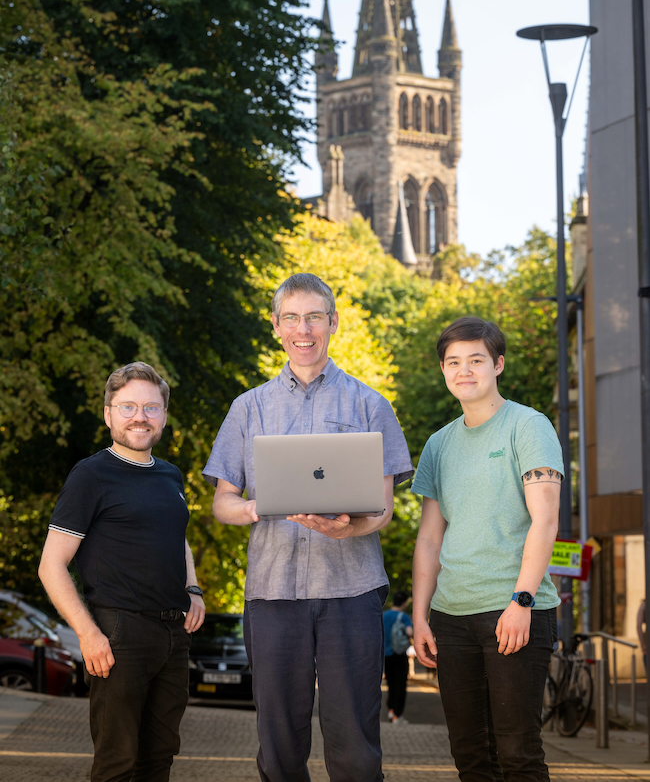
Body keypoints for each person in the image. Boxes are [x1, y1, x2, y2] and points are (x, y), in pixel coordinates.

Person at [203, 272, 414, 782]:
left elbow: (383, 508)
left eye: (314, 317)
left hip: (351, 590)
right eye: (292, 318)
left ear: (332, 323)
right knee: (278, 747)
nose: (304, 329)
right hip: (273, 594)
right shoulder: (247, 407)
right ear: (277, 326)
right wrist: (260, 507)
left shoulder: (370, 405)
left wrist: (349, 528)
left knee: (356, 750)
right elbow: (222, 503)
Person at [411, 316, 562, 782]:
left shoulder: (528, 426)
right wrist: (420, 616)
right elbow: (430, 538)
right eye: (453, 362)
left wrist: (522, 601)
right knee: (470, 755)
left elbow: (546, 519)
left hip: (513, 610)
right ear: (443, 370)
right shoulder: (438, 444)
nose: (465, 371)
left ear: (497, 364)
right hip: (451, 619)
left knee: (518, 753)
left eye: (476, 360)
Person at [39, 362, 205, 782]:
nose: (140, 417)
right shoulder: (91, 475)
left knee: (160, 758)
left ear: (163, 416)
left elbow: (177, 537)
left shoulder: (170, 476)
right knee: (117, 762)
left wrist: (194, 588)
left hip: (173, 634)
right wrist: (88, 633)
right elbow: (51, 565)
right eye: (128, 406)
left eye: (151, 407)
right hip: (119, 633)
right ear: (108, 413)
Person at [383, 591, 413, 724]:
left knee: (390, 684)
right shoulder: (404, 617)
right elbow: (409, 632)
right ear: (404, 603)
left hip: (385, 655)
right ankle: (397, 715)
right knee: (400, 685)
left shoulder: (384, 615)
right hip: (399, 655)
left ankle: (390, 710)